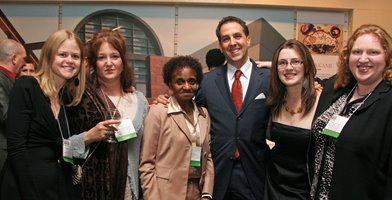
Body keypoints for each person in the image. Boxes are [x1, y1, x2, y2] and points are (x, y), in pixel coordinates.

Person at [156, 16, 270, 199]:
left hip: (254, 174)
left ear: (248, 39)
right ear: (220, 45)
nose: (232, 43)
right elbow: (185, 104)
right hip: (217, 175)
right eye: (226, 39)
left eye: (237, 36)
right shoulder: (207, 82)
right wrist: (165, 99)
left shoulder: (268, 79)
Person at [310, 24, 392, 199]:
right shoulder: (336, 87)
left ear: (388, 57)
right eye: (357, 52)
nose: (363, 59)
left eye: (373, 52)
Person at [0, 29, 86, 199]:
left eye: (75, 56)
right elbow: (17, 148)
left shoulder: (66, 98)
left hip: (55, 187)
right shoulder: (27, 86)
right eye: (62, 54)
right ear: (49, 56)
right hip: (25, 189)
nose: (69, 61)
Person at [68, 29, 148, 200]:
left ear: (123, 60)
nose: (109, 63)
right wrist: (89, 136)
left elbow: (146, 151)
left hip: (129, 188)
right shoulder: (81, 98)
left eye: (114, 56)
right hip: (93, 188)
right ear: (94, 63)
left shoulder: (139, 100)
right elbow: (63, 147)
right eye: (102, 57)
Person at [140, 55, 214, 200]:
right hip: (166, 193)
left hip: (197, 191)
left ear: (198, 83)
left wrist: (206, 192)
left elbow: (208, 156)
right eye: (180, 81)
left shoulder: (203, 114)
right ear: (170, 84)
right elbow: (147, 164)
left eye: (191, 81)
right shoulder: (158, 112)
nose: (186, 86)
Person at [264, 39, 320, 200]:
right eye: (282, 63)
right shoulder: (273, 102)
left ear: (306, 65)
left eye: (295, 61)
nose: (289, 67)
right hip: (273, 187)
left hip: (306, 190)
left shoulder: (323, 102)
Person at [0, 39, 26, 172]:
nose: (25, 63)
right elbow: (5, 116)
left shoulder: (9, 79)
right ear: (14, 58)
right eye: (24, 58)